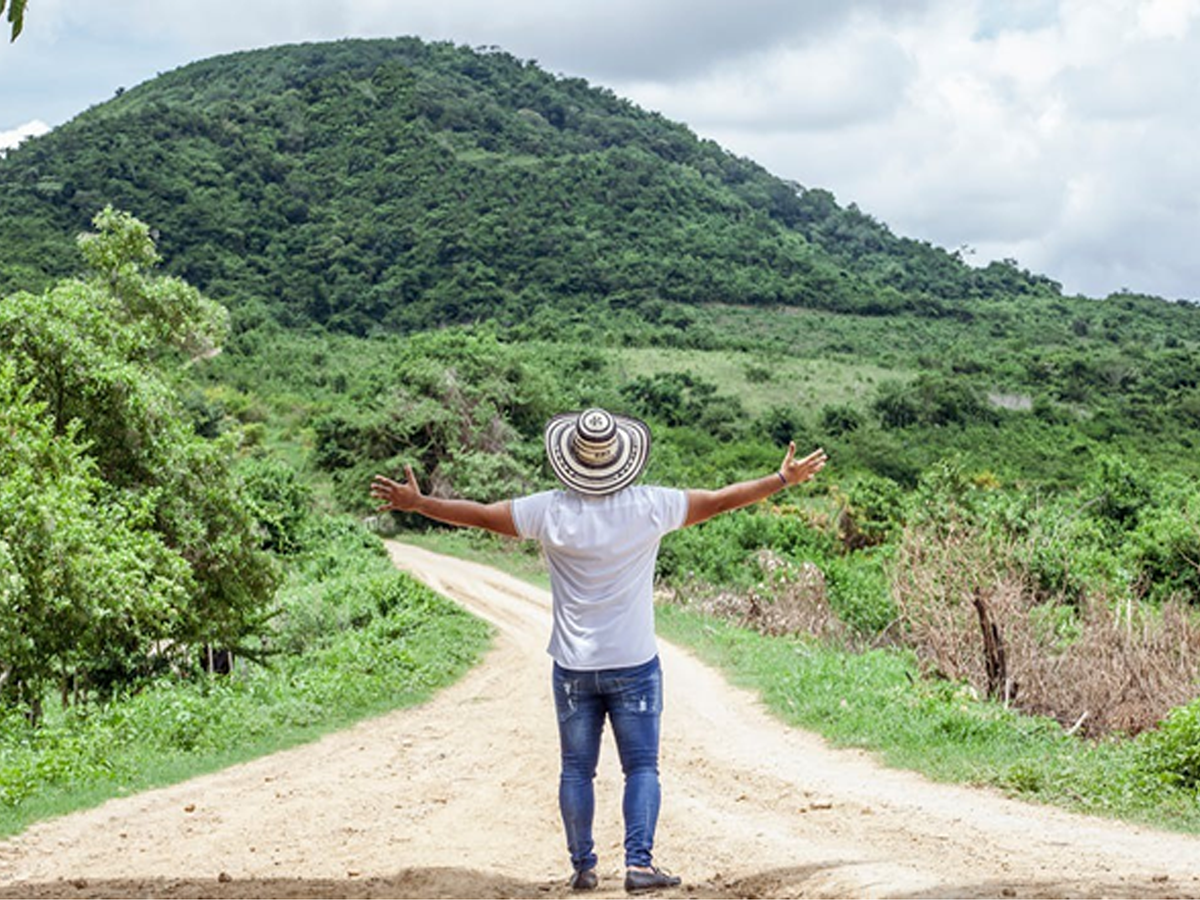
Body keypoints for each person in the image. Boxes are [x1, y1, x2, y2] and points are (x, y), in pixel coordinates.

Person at [371, 408, 827, 894]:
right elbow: (718, 501)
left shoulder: (547, 510)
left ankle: (584, 867)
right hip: (634, 662)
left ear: (569, 458)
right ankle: (639, 865)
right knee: (642, 767)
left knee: (575, 770)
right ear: (622, 458)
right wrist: (781, 478)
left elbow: (480, 515)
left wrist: (419, 504)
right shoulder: (651, 506)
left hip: (572, 668)